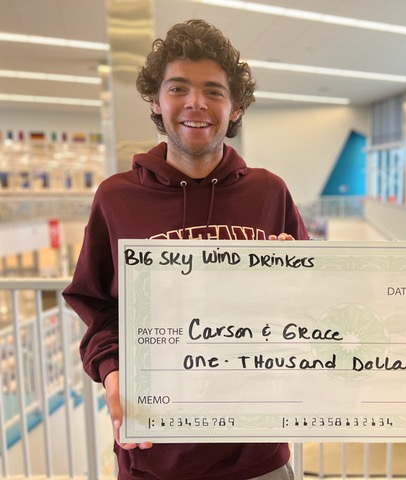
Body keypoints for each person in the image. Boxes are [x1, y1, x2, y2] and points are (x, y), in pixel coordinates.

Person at [63, 19, 308, 480]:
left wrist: (293, 279)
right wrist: (113, 373)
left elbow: (309, 305)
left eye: (214, 91)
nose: (196, 102)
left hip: (256, 455)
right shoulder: (116, 198)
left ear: (235, 108)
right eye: (178, 88)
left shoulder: (269, 192)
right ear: (156, 102)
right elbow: (97, 306)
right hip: (153, 455)